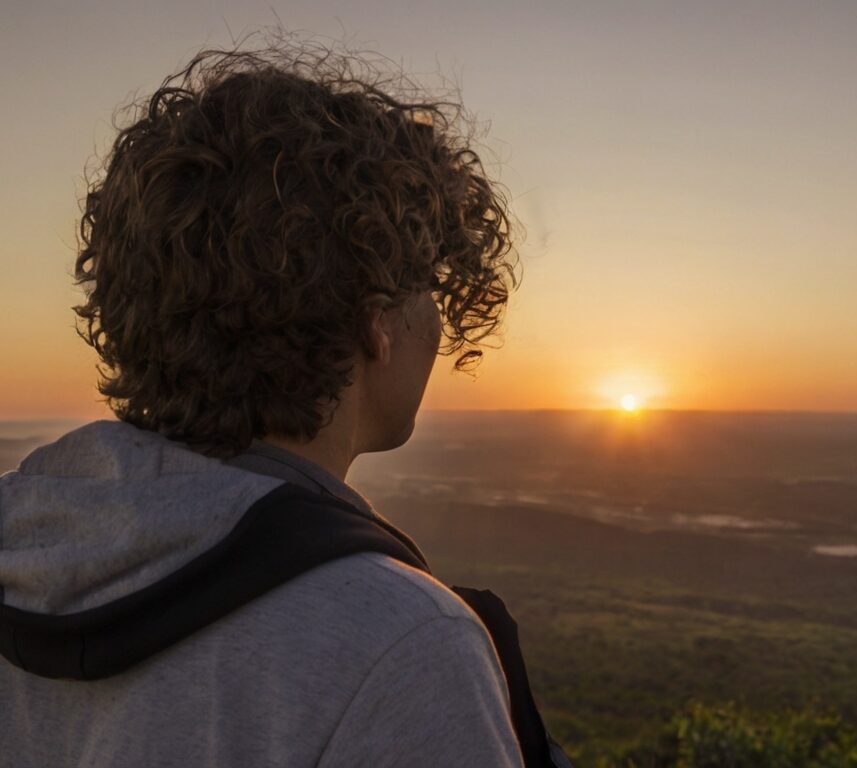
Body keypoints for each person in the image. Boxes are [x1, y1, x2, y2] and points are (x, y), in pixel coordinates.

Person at [0, 39, 568, 767]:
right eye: (427, 280)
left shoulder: (22, 545)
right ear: (374, 320)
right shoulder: (400, 645)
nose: (439, 319)